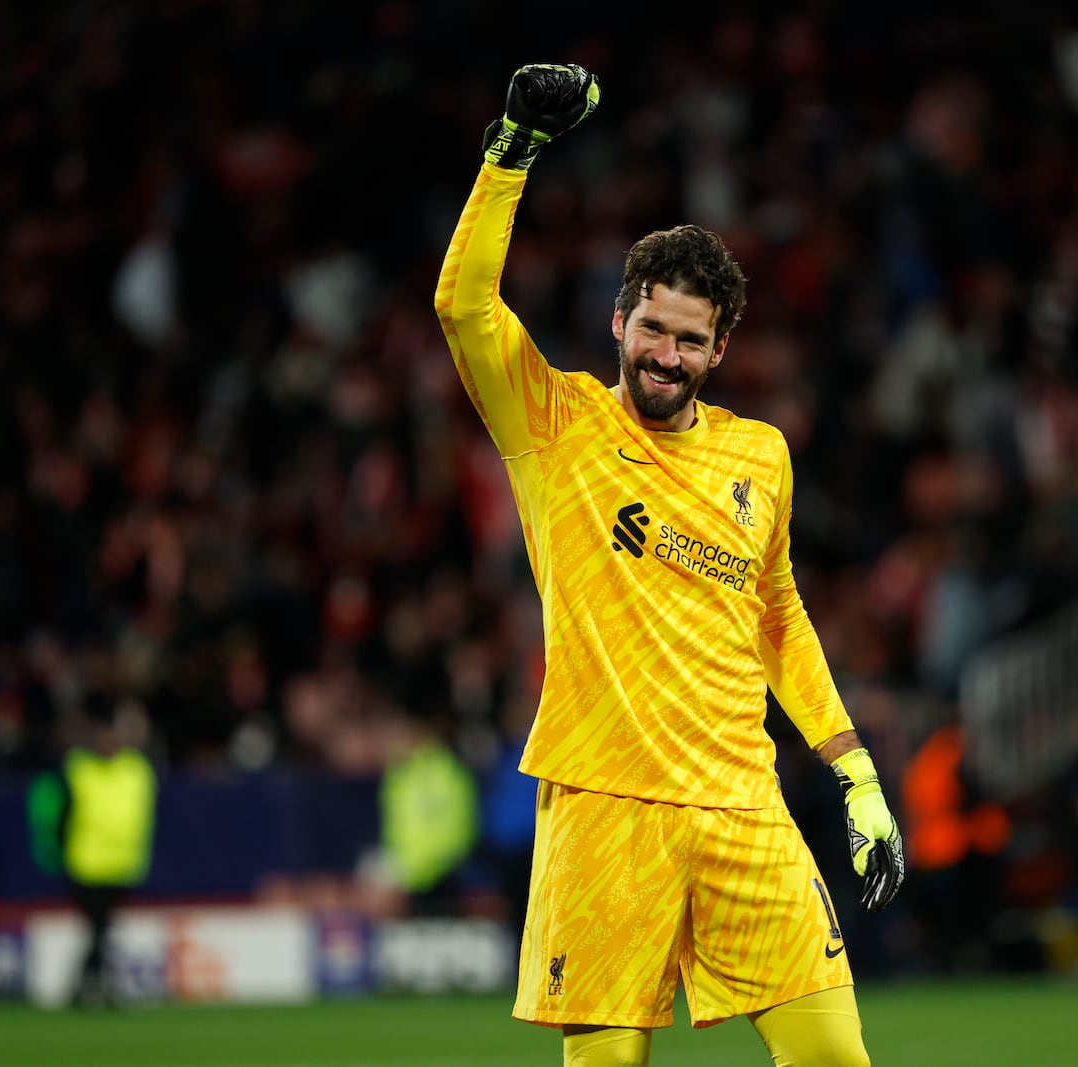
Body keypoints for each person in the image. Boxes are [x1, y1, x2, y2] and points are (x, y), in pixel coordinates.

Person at [434, 64, 904, 1066]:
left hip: (744, 802)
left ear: (719, 348)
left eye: (688, 340)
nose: (663, 353)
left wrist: (853, 770)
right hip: (605, 805)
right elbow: (464, 306)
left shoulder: (760, 454)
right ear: (618, 320)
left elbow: (781, 617)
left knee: (836, 1055)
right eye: (650, 328)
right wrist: (511, 149)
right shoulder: (554, 423)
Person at [28, 693, 158, 1007]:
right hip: (86, 864)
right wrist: (51, 850)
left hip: (121, 865)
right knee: (100, 929)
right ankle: (92, 987)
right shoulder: (77, 769)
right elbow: (50, 805)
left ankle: (91, 987)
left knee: (100, 931)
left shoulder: (136, 770)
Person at [380, 711, 479, 917]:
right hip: (408, 880)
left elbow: (458, 826)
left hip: (443, 879)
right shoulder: (398, 772)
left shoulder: (443, 769)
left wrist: (425, 868)